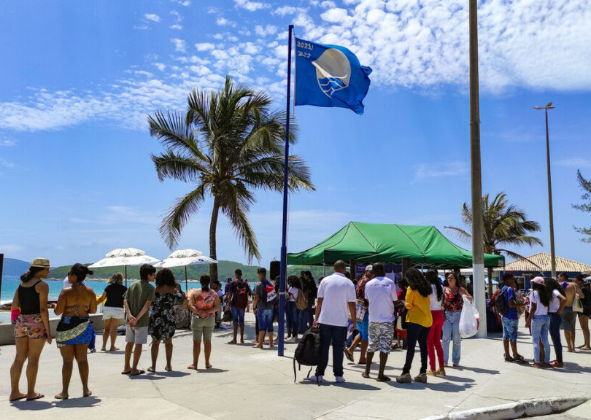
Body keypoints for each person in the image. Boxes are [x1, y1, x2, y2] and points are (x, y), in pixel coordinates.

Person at [10, 258, 52, 402]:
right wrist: (48, 331)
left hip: (21, 322)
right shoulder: (42, 285)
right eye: (47, 269)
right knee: (33, 359)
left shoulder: (22, 283)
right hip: (36, 323)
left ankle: (14, 392)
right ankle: (30, 392)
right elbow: (43, 309)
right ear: (40, 270)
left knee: (19, 357)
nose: (48, 271)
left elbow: (15, 305)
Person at [54, 263, 97, 399]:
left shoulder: (66, 292)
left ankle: (65, 392)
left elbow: (58, 311)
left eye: (69, 274)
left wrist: (57, 306)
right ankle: (85, 389)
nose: (68, 276)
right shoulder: (90, 291)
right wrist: (81, 308)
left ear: (74, 276)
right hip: (83, 326)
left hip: (66, 326)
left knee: (67, 361)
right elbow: (94, 310)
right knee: (82, 360)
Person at [309, 260, 356, 383]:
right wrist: (354, 321)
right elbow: (352, 304)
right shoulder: (349, 283)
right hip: (341, 321)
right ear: (344, 270)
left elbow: (319, 301)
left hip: (325, 319)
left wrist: (316, 318)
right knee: (338, 348)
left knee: (323, 347)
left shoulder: (325, 281)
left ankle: (319, 374)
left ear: (334, 269)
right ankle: (338, 375)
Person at [362, 263, 399, 382]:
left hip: (373, 319)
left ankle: (367, 372)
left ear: (372, 271)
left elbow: (367, 300)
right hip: (387, 320)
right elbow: (394, 300)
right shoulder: (389, 282)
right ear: (383, 270)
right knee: (385, 347)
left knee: (371, 345)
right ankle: (380, 374)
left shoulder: (368, 284)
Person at [396, 268, 433, 384]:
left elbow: (408, 305)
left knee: (410, 347)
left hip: (415, 320)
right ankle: (423, 372)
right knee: (423, 347)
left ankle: (405, 372)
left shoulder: (411, 289)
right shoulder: (426, 289)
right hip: (427, 319)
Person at [122, 264, 156, 376]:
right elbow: (147, 306)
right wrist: (136, 319)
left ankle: (126, 366)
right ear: (148, 275)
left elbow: (125, 301)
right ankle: (134, 368)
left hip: (129, 320)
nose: (154, 276)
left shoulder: (132, 286)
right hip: (141, 321)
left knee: (129, 343)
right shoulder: (151, 288)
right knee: (138, 344)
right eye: (153, 274)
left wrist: (130, 315)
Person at [149, 268, 182, 372]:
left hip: (157, 316)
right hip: (169, 316)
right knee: (168, 342)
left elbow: (149, 303)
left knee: (155, 342)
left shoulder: (155, 290)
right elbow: (181, 298)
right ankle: (169, 365)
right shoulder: (174, 291)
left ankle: (153, 366)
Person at [188, 274, 221, 369]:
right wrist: (207, 311)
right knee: (207, 342)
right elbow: (217, 306)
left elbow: (191, 305)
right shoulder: (213, 293)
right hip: (210, 319)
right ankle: (207, 363)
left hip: (197, 319)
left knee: (196, 342)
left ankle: (195, 364)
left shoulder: (195, 293)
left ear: (200, 281)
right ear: (209, 282)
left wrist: (199, 312)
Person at [442, 272, 472, 367]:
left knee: (456, 339)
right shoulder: (444, 289)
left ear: (455, 279)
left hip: (457, 315)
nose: (449, 279)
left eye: (451, 277)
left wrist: (466, 297)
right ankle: (444, 360)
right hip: (446, 315)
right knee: (445, 339)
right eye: (448, 278)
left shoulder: (460, 289)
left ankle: (455, 361)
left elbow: (471, 298)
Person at [346, 265, 374, 364]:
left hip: (358, 310)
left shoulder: (360, 281)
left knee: (362, 333)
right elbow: (367, 298)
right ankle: (362, 358)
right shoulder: (368, 282)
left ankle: (350, 349)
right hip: (364, 311)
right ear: (367, 271)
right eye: (371, 272)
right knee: (366, 335)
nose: (373, 274)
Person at [500, 273, 527, 363]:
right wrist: (523, 304)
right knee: (513, 336)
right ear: (508, 279)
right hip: (511, 316)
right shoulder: (510, 289)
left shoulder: (503, 288)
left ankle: (507, 355)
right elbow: (511, 304)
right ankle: (515, 355)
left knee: (506, 336)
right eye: (512, 279)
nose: (514, 280)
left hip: (504, 315)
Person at [97, 272, 127, 352]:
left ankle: (103, 346)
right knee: (114, 329)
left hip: (107, 309)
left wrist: (94, 304)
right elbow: (126, 301)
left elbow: (102, 298)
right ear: (121, 279)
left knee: (106, 328)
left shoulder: (108, 287)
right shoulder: (124, 288)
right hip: (118, 309)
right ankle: (112, 346)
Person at [525, 277, 551, 368]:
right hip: (546, 317)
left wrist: (528, 320)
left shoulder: (534, 293)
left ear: (535, 284)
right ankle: (546, 361)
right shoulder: (545, 293)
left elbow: (533, 308)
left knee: (535, 340)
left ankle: (536, 362)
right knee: (545, 341)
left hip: (537, 318)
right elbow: (547, 307)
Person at [426, 269, 445, 376]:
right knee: (437, 342)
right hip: (439, 314)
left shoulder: (427, 288)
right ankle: (441, 368)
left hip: (431, 314)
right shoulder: (440, 287)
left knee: (429, 343)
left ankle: (432, 369)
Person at [559, 272, 585, 352]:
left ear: (563, 277)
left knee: (566, 328)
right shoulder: (574, 285)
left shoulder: (559, 285)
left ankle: (569, 347)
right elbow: (582, 295)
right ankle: (573, 345)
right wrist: (576, 295)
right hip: (572, 308)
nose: (558, 278)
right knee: (572, 327)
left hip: (563, 308)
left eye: (559, 276)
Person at [252, 268, 277, 349]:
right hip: (270, 307)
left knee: (261, 325)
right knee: (270, 324)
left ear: (260, 274)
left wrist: (254, 307)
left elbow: (256, 297)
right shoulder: (271, 284)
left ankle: (260, 343)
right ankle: (271, 343)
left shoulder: (258, 285)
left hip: (261, 307)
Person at [545, 277, 566, 367]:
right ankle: (558, 359)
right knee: (555, 338)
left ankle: (559, 361)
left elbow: (564, 299)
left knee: (556, 339)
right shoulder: (552, 292)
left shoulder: (554, 291)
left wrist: (559, 310)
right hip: (552, 315)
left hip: (554, 315)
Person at [227, 268, 252, 344]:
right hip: (242, 305)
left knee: (235, 321)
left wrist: (228, 304)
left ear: (236, 274)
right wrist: (247, 304)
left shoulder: (233, 283)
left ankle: (234, 339)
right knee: (241, 321)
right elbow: (248, 294)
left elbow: (231, 295)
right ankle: (241, 339)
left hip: (234, 304)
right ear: (241, 274)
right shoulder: (245, 283)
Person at [574, 274, 591, 350]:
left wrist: (577, 294)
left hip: (585, 310)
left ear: (580, 281)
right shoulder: (581, 288)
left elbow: (584, 298)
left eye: (576, 281)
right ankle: (585, 343)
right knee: (583, 327)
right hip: (581, 310)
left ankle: (587, 345)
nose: (574, 282)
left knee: (585, 327)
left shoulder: (583, 289)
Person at [395, 277, 409, 350]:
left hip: (401, 311)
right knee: (402, 328)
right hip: (408, 311)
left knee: (400, 328)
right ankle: (400, 344)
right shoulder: (408, 290)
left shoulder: (401, 292)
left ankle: (402, 344)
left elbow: (397, 301)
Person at [285, 275, 300, 340]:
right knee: (294, 319)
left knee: (292, 319)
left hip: (292, 303)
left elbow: (287, 295)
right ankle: (293, 335)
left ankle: (293, 335)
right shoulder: (297, 288)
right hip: (294, 303)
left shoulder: (293, 288)